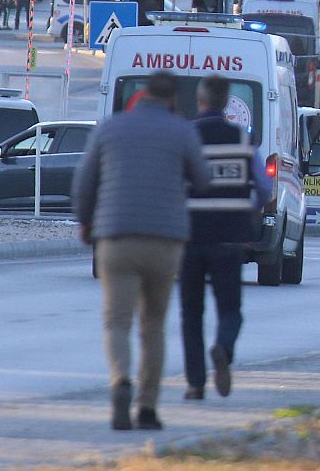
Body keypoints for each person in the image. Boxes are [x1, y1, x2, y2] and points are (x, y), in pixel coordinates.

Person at [73, 70, 208, 431]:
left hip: (116, 237)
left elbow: (84, 183)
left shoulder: (110, 128)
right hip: (165, 240)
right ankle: (147, 407)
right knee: (153, 325)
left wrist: (87, 222)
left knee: (116, 321)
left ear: (145, 93)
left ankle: (120, 382)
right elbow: (204, 179)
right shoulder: (183, 131)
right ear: (173, 99)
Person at [180, 75, 273, 401]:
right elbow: (264, 188)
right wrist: (245, 209)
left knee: (191, 314)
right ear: (225, 103)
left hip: (190, 236)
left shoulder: (187, 137)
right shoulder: (241, 139)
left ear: (201, 100)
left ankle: (194, 383)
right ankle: (223, 347)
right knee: (230, 308)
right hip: (230, 237)